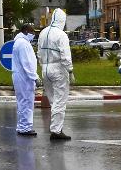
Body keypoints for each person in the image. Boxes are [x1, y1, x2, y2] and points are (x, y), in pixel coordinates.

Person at [37, 8, 74, 140]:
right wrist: (70, 70)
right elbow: (65, 55)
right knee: (60, 100)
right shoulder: (61, 35)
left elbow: (39, 53)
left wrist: (43, 66)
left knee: (53, 100)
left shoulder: (43, 32)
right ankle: (56, 130)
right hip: (58, 68)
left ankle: (55, 126)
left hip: (45, 69)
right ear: (62, 20)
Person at [12, 24, 40, 136]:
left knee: (23, 101)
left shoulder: (21, 42)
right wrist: (35, 77)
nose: (33, 35)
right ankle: (25, 128)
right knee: (26, 102)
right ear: (26, 31)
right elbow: (27, 63)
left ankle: (23, 126)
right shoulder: (23, 44)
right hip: (24, 77)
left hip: (22, 76)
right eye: (32, 32)